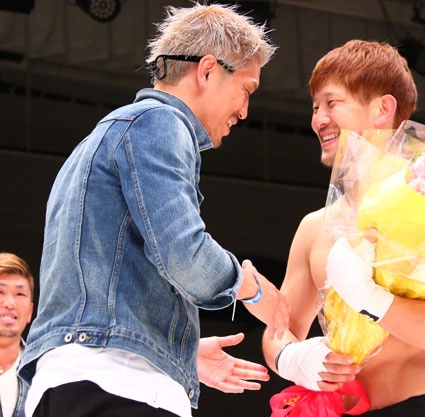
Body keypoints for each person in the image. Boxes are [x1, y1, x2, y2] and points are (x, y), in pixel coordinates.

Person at [18, 3, 289, 417]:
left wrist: (178, 351)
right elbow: (183, 253)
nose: (245, 111)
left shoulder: (109, 134)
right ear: (208, 71)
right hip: (117, 383)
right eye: (246, 90)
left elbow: (108, 276)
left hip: (83, 377)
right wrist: (249, 287)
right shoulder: (158, 122)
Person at [262, 39, 425, 416]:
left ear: (383, 108)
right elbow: (279, 327)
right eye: (315, 107)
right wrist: (293, 357)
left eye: (332, 103)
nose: (318, 119)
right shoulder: (315, 228)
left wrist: (372, 300)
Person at [0, 252, 34, 417]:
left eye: (20, 294)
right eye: (0, 291)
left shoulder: (42, 372)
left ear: (30, 312)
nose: (9, 303)